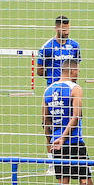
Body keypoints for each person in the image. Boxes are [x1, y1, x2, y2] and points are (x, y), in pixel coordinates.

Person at [37, 17, 80, 175]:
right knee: (48, 125)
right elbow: (39, 70)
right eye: (63, 29)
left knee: (73, 121)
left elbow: (76, 67)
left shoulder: (74, 46)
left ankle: (73, 158)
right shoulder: (47, 47)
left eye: (68, 28)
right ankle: (52, 162)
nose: (66, 31)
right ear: (56, 28)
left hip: (70, 92)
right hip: (53, 92)